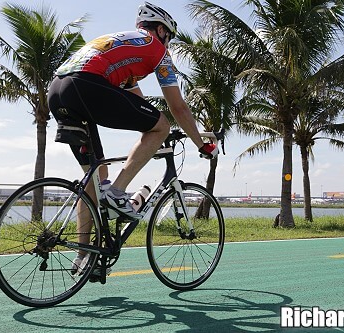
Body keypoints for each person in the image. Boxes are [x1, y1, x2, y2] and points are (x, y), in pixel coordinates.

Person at [48, 2, 218, 221]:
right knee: (163, 125)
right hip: (86, 84)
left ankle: (83, 255)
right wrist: (201, 145)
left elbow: (140, 107)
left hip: (57, 89)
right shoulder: (156, 48)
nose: (168, 44)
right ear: (160, 30)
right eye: (169, 37)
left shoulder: (125, 44)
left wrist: (152, 140)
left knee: (95, 179)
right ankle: (117, 193)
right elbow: (178, 108)